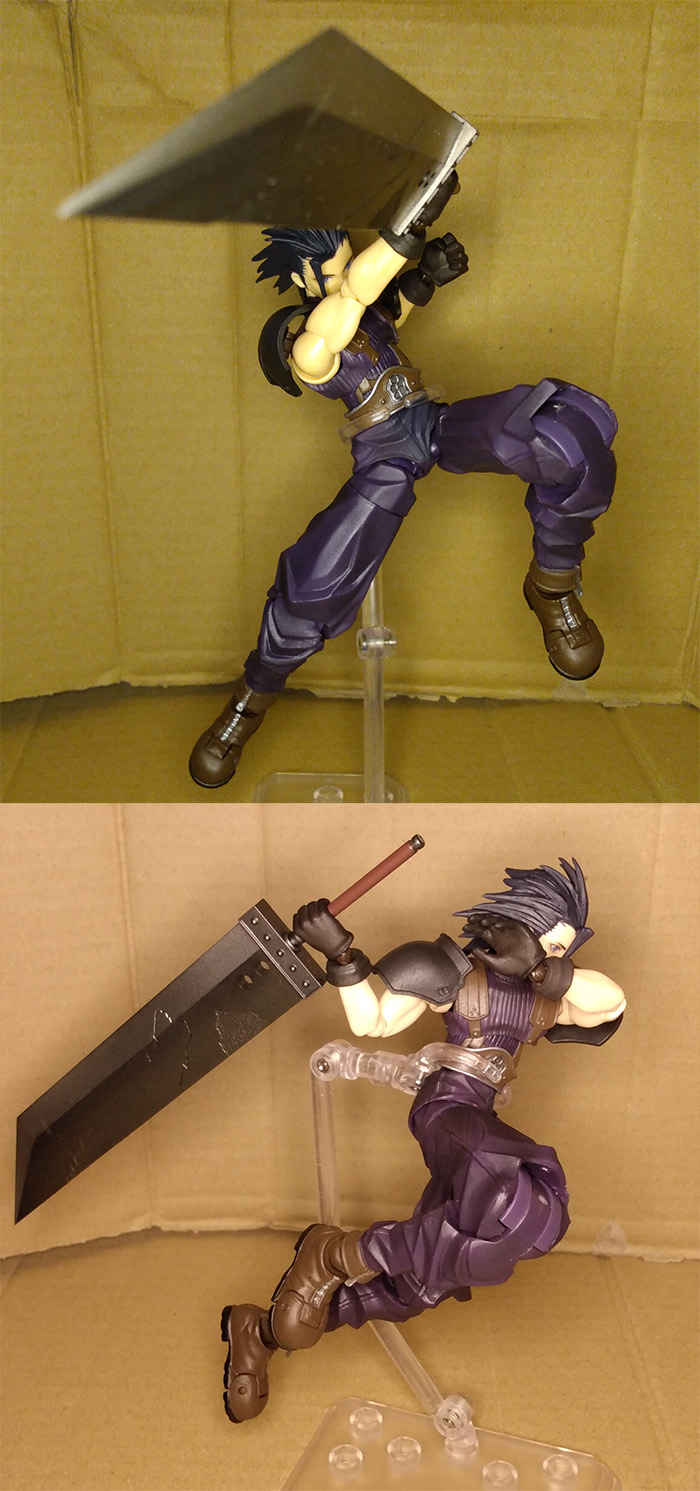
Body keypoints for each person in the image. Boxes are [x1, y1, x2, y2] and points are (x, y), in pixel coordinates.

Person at [190, 175, 617, 787]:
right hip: (384, 459)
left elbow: (391, 302)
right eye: (333, 267)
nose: (347, 271)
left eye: (347, 260)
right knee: (315, 582)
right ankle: (247, 705)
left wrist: (429, 275)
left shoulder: (366, 317)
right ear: (307, 282)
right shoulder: (311, 346)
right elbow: (355, 297)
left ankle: (551, 586)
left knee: (560, 433)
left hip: (434, 424)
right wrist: (407, 229)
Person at [220, 858, 625, 1422]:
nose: (558, 957)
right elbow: (374, 1021)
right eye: (551, 941)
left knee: (432, 1280)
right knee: (522, 1198)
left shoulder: (544, 996)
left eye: (563, 949)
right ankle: (336, 1254)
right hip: (448, 1109)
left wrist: (541, 966)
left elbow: (611, 1004)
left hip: (478, 1123)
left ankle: (264, 1331)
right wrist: (341, 954)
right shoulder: (459, 973)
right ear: (522, 921)